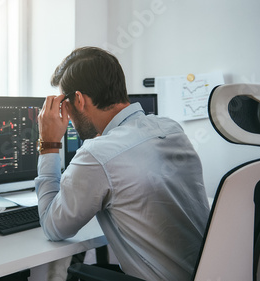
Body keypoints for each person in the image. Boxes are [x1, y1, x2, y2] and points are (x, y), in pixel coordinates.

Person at [35, 46, 210, 281]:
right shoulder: (170, 128)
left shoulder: (97, 156)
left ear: (78, 99)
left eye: (64, 102)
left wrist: (49, 143)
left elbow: (53, 227)